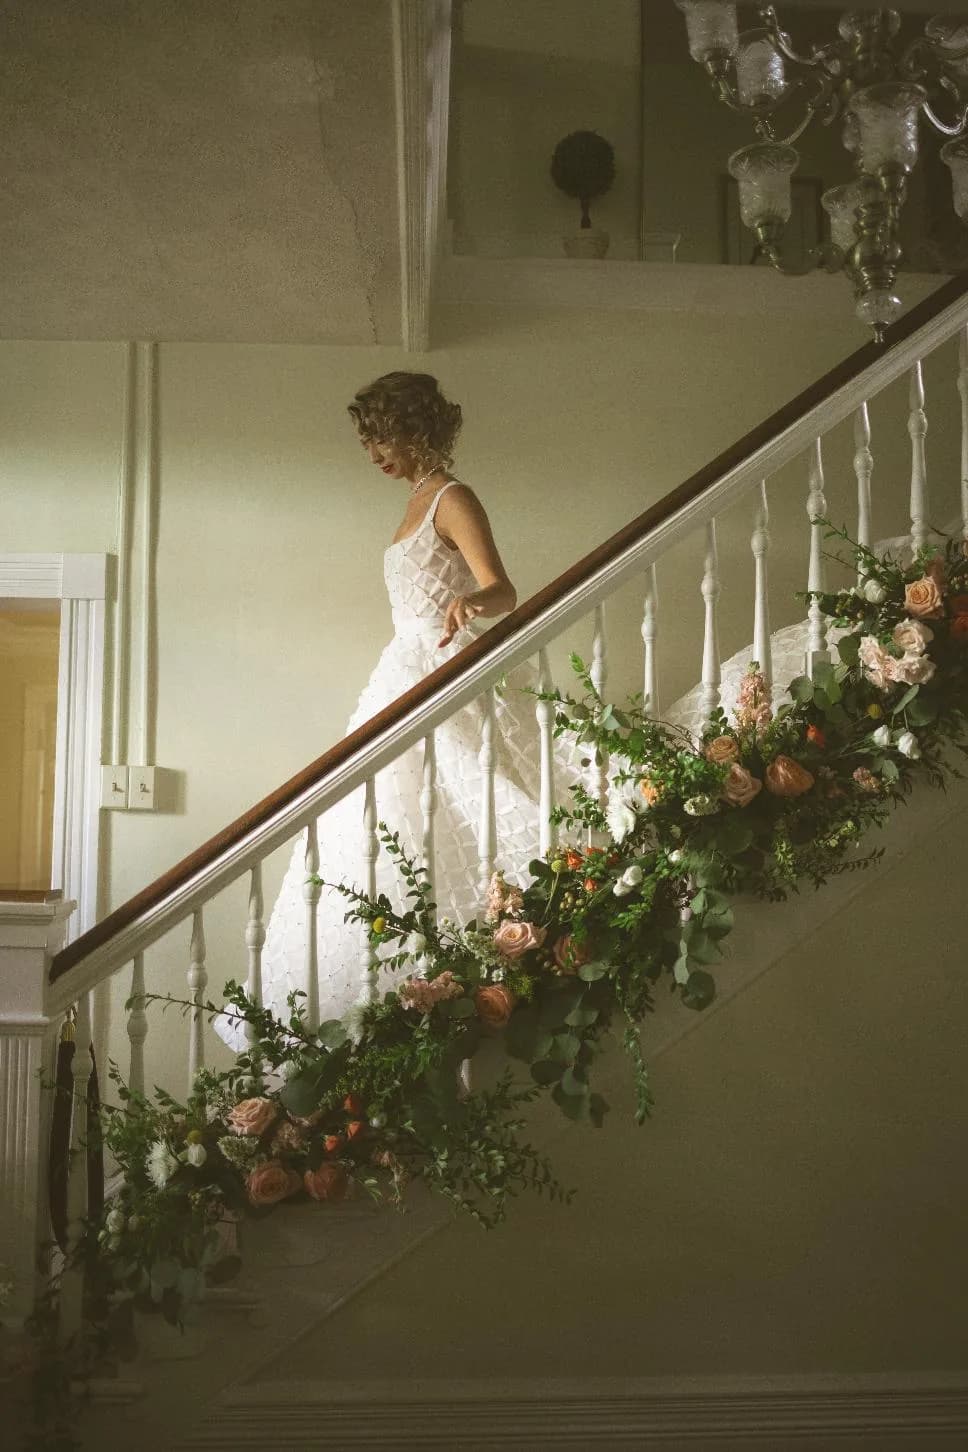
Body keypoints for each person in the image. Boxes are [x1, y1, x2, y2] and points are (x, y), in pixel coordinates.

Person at [216, 372, 545, 1049]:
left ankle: (464, 950)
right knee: (374, 815)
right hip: (400, 668)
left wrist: (472, 605)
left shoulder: (453, 497)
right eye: (367, 442)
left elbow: (502, 588)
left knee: (452, 797)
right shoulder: (413, 503)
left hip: (439, 662)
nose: (372, 455)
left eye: (379, 439)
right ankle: (380, 991)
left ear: (414, 430)